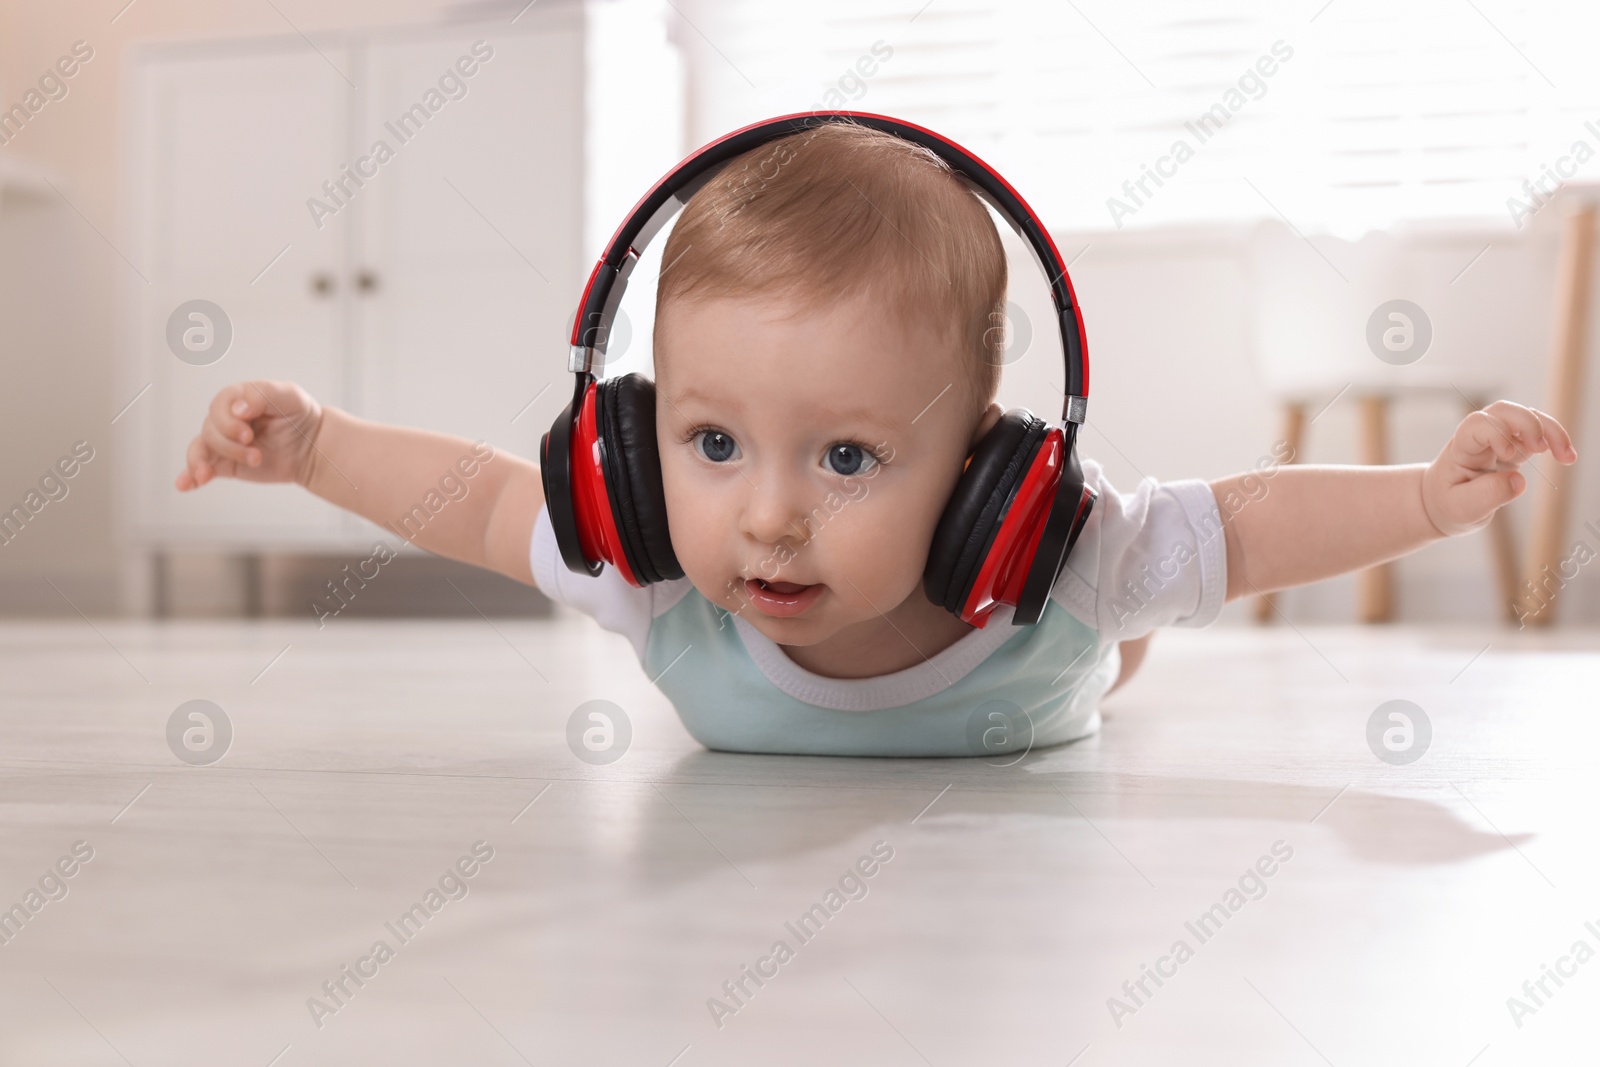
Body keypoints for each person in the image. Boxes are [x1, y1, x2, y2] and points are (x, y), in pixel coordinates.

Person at [174, 121, 1576, 757]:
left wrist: (1430, 501)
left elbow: (1254, 525)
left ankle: (1129, 644)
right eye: (714, 444)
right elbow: (476, 503)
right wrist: (317, 445)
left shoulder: (1061, 557)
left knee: (1129, 618)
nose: (768, 517)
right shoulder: (654, 571)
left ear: (982, 472)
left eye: (845, 459)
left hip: (1039, 673)